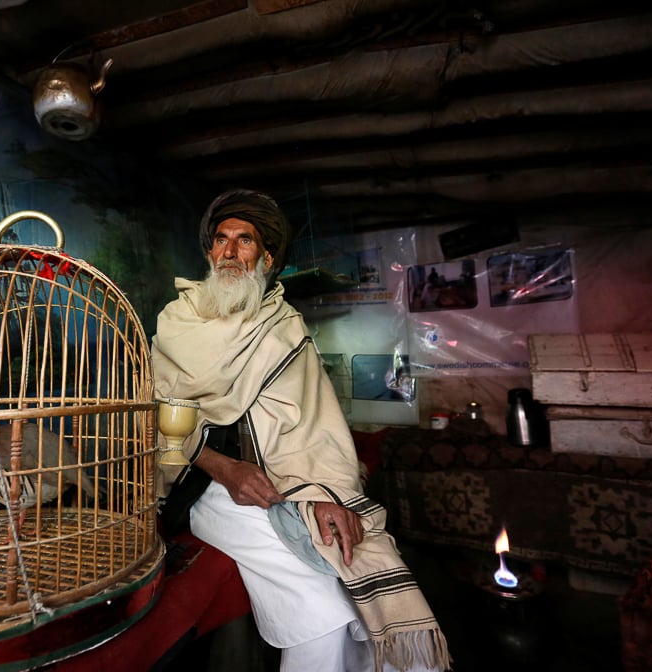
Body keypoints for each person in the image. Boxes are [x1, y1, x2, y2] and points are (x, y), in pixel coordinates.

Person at [152, 189, 450, 672]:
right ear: (209, 253)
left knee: (353, 578)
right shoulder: (174, 324)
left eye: (244, 241)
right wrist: (225, 468)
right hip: (205, 488)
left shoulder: (284, 328)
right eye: (221, 241)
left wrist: (325, 492)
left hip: (292, 481)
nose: (229, 252)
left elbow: (316, 428)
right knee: (324, 614)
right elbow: (151, 420)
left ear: (266, 258)